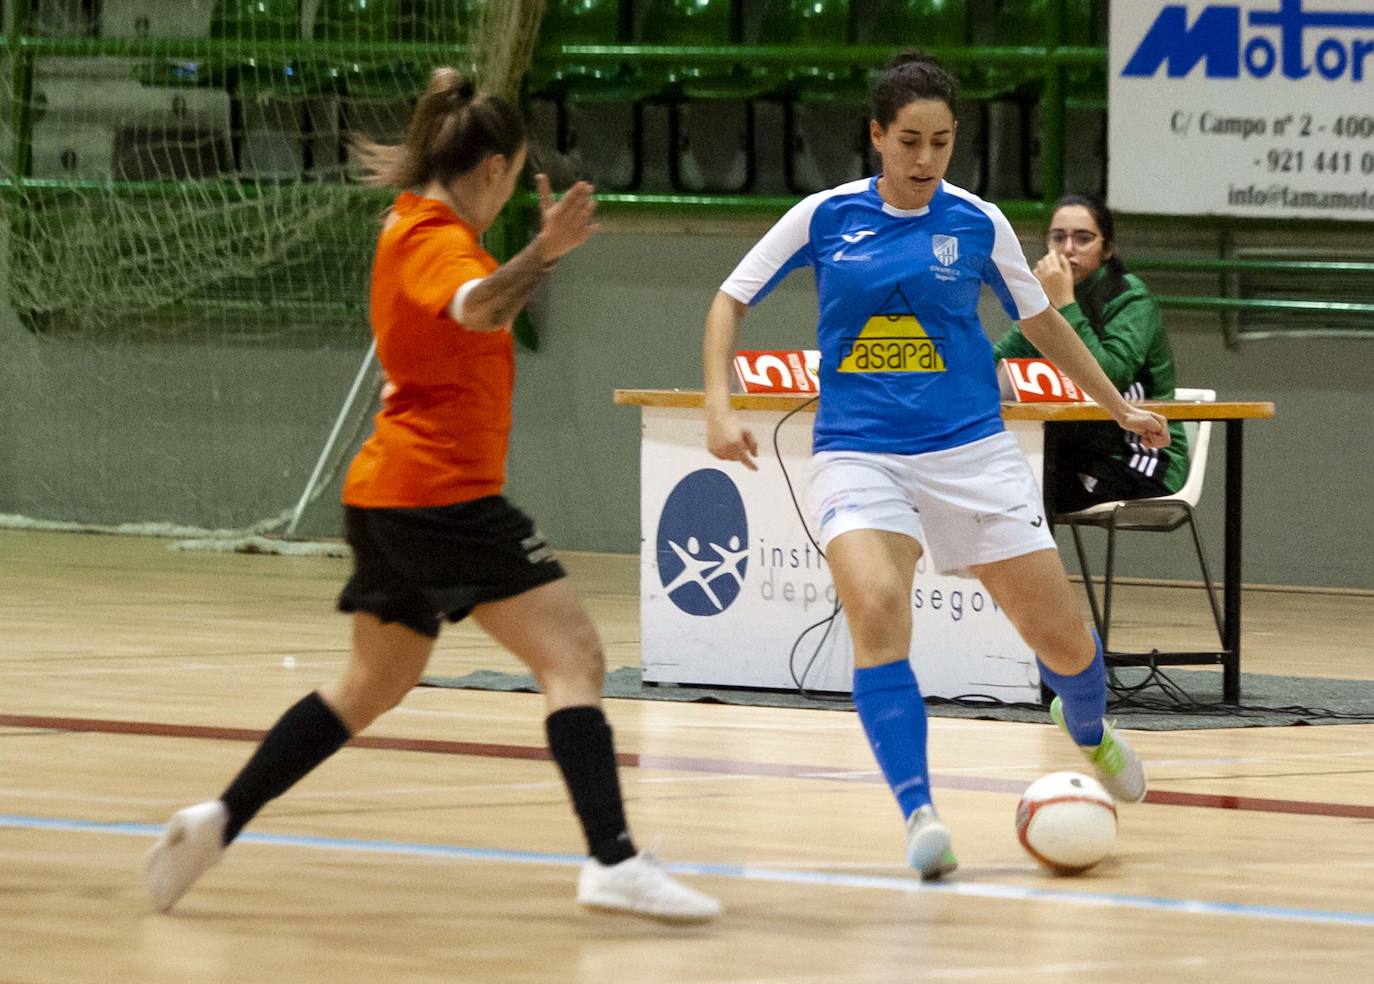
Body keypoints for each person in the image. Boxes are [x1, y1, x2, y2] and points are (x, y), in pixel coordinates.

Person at [144, 68, 720, 923]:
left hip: (392, 497)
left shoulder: (415, 227)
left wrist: (527, 258)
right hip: (439, 497)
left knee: (370, 687)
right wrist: (546, 251)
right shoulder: (433, 241)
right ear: (491, 170)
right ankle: (613, 860)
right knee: (576, 659)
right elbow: (481, 309)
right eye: (513, 178)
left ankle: (219, 818)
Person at [702, 51, 1166, 878]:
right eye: (909, 140)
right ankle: (921, 814)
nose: (924, 160)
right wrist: (718, 404)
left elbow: (1046, 322)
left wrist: (1117, 406)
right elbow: (730, 298)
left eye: (941, 143)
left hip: (972, 454)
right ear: (877, 136)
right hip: (859, 453)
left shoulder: (978, 222)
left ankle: (1089, 732)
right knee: (877, 609)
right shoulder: (824, 217)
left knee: (1061, 644)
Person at [993, 195, 1189, 514]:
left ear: (1107, 249)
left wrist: (1066, 303)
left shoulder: (1130, 298)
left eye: (1083, 239)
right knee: (996, 474)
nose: (1068, 248)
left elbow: (1109, 377)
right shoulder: (1045, 301)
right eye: (1058, 237)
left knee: (1027, 487)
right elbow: (998, 361)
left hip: (1138, 457)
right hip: (1071, 448)